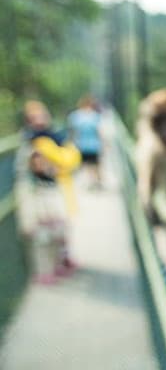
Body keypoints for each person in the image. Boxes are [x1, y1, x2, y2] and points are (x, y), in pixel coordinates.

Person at [15, 101, 81, 284]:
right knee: (43, 235)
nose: (40, 121)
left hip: (54, 190)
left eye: (42, 116)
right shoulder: (35, 141)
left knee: (58, 230)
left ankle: (60, 262)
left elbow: (70, 159)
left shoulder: (53, 137)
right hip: (38, 193)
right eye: (35, 118)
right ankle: (45, 270)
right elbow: (51, 164)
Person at [68, 95, 103, 189]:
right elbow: (99, 132)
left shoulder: (75, 116)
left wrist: (71, 143)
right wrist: (103, 145)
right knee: (95, 166)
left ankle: (87, 183)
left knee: (84, 165)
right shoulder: (95, 116)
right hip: (94, 145)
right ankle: (96, 182)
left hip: (81, 145)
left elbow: (73, 132)